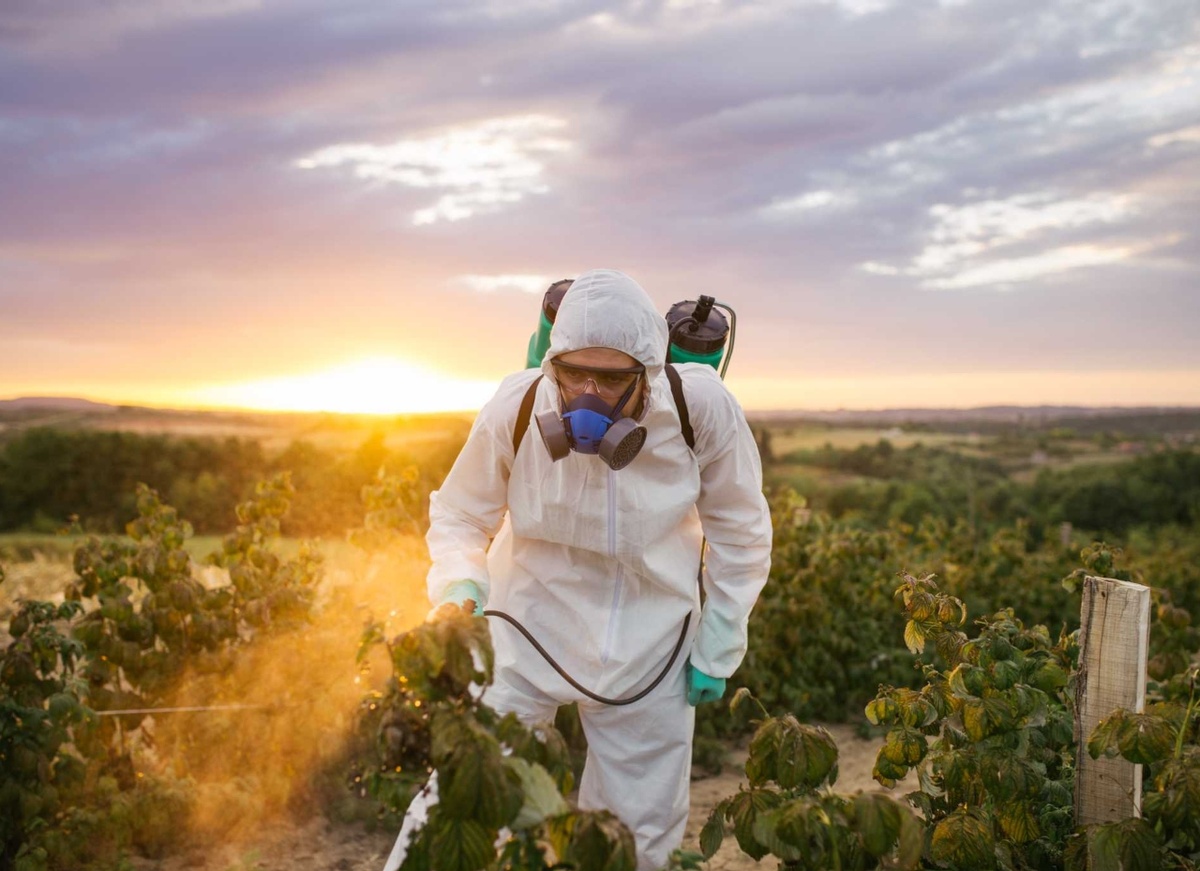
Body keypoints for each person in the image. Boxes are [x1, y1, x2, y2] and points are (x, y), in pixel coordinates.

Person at [385, 268, 772, 871]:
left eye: (612, 379)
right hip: (525, 628)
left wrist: (719, 642)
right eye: (572, 374)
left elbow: (740, 531)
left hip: (652, 643)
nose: (589, 393)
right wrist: (460, 582)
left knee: (634, 834)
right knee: (467, 797)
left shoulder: (700, 409)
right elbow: (460, 512)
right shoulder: (518, 404)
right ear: (552, 364)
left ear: (649, 372)